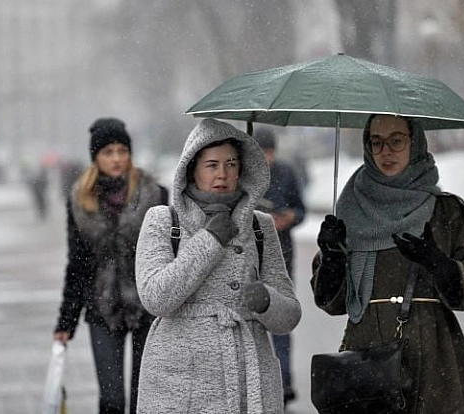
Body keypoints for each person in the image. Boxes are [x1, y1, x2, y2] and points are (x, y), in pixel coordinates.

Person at [311, 114, 464, 413]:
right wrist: (332, 256)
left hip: (434, 357)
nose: (386, 151)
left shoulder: (445, 210)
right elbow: (331, 303)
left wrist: (437, 263)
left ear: (415, 142)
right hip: (367, 358)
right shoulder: (349, 213)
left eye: (396, 140)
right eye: (377, 142)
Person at [134, 118, 302, 413]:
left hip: (249, 378)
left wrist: (266, 301)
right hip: (180, 383)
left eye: (231, 164)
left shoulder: (260, 226)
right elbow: (156, 298)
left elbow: (289, 317)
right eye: (212, 165)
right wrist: (209, 241)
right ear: (192, 169)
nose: (222, 174)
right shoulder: (163, 220)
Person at [53, 117, 168, 414]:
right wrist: (66, 322)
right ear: (96, 157)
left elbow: (169, 253)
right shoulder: (81, 201)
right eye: (108, 152)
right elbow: (77, 264)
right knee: (112, 399)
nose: (117, 158)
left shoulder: (155, 194)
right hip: (101, 309)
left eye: (122, 151)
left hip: (148, 306)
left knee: (144, 398)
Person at [253, 127, 306, 405]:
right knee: (253, 320)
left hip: (282, 255)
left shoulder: (286, 173)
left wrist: (289, 218)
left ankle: (284, 382)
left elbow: (300, 209)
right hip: (251, 258)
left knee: (282, 318)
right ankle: (257, 382)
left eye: (269, 152)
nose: (266, 158)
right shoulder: (245, 176)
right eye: (261, 152)